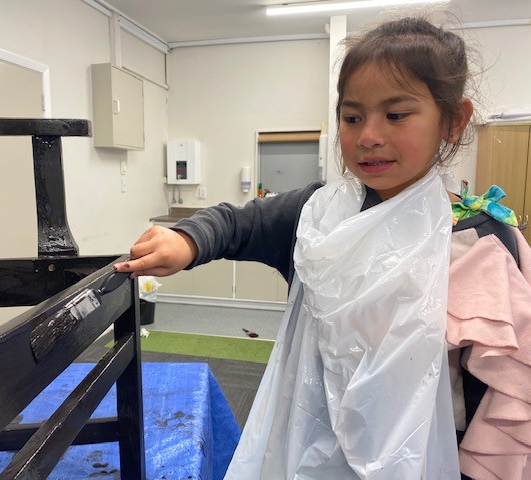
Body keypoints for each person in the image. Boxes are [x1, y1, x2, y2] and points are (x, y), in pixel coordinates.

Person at [114, 16, 531, 480]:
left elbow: (502, 395)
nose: (368, 135)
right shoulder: (317, 216)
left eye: (396, 115)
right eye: (352, 117)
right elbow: (238, 222)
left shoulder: (480, 245)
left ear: (453, 120)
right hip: (316, 439)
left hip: (432, 456)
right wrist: (187, 238)